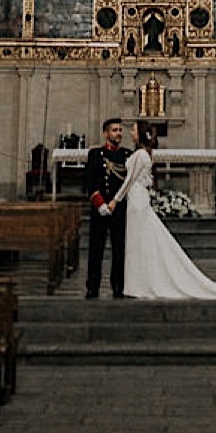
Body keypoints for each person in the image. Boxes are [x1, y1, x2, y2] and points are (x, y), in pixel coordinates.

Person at [105, 121, 216, 301]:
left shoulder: (139, 155)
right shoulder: (145, 154)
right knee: (139, 242)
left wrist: (115, 200)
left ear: (140, 134)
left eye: (134, 130)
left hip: (136, 200)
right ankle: (138, 282)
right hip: (137, 199)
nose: (131, 133)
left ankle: (139, 283)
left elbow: (129, 180)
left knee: (139, 242)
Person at [84, 116, 129, 299]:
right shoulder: (95, 154)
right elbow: (90, 182)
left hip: (119, 208)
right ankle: (93, 285)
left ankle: (118, 286)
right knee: (96, 249)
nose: (118, 133)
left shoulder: (127, 155)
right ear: (105, 133)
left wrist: (115, 203)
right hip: (100, 208)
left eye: (120, 130)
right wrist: (100, 204)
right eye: (114, 130)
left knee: (119, 250)